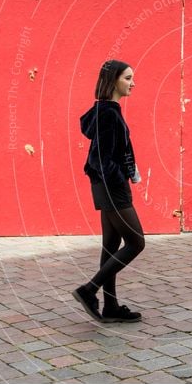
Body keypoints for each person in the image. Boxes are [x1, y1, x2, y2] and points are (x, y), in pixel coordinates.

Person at [73, 60, 145, 323]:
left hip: (107, 186)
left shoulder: (106, 110)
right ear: (113, 80)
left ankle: (110, 306)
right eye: (127, 78)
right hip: (112, 187)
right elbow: (101, 159)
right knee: (137, 242)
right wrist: (120, 178)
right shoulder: (108, 113)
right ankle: (89, 290)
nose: (132, 83)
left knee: (112, 245)